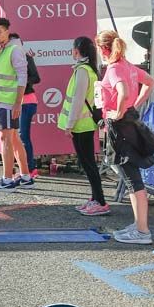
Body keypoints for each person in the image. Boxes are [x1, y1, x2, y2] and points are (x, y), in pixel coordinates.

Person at [97, 30, 154, 244]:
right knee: (131, 177)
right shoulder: (128, 66)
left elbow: (121, 91)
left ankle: (142, 231)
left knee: (131, 178)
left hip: (121, 126)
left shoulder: (114, 68)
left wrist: (119, 112)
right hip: (128, 122)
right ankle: (139, 226)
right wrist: (134, 106)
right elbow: (150, 81)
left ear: (103, 48)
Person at [0, 18, 34, 190]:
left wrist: (18, 103)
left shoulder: (14, 50)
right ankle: (26, 176)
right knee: (13, 138)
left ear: (7, 31)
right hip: (0, 102)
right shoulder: (0, 50)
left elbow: (22, 77)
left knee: (5, 139)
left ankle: (7, 180)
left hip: (8, 102)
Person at [59, 37, 108, 215]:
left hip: (81, 125)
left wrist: (69, 125)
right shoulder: (89, 70)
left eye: (73, 48)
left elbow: (78, 101)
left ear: (77, 50)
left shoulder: (82, 71)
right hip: (85, 124)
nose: (72, 51)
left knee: (88, 164)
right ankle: (95, 198)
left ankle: (100, 201)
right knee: (87, 164)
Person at [10, 33, 40, 178]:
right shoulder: (9, 58)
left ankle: (30, 168)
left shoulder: (27, 57)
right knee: (15, 136)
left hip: (27, 101)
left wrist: (21, 82)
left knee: (23, 136)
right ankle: (22, 168)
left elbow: (36, 78)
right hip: (14, 102)